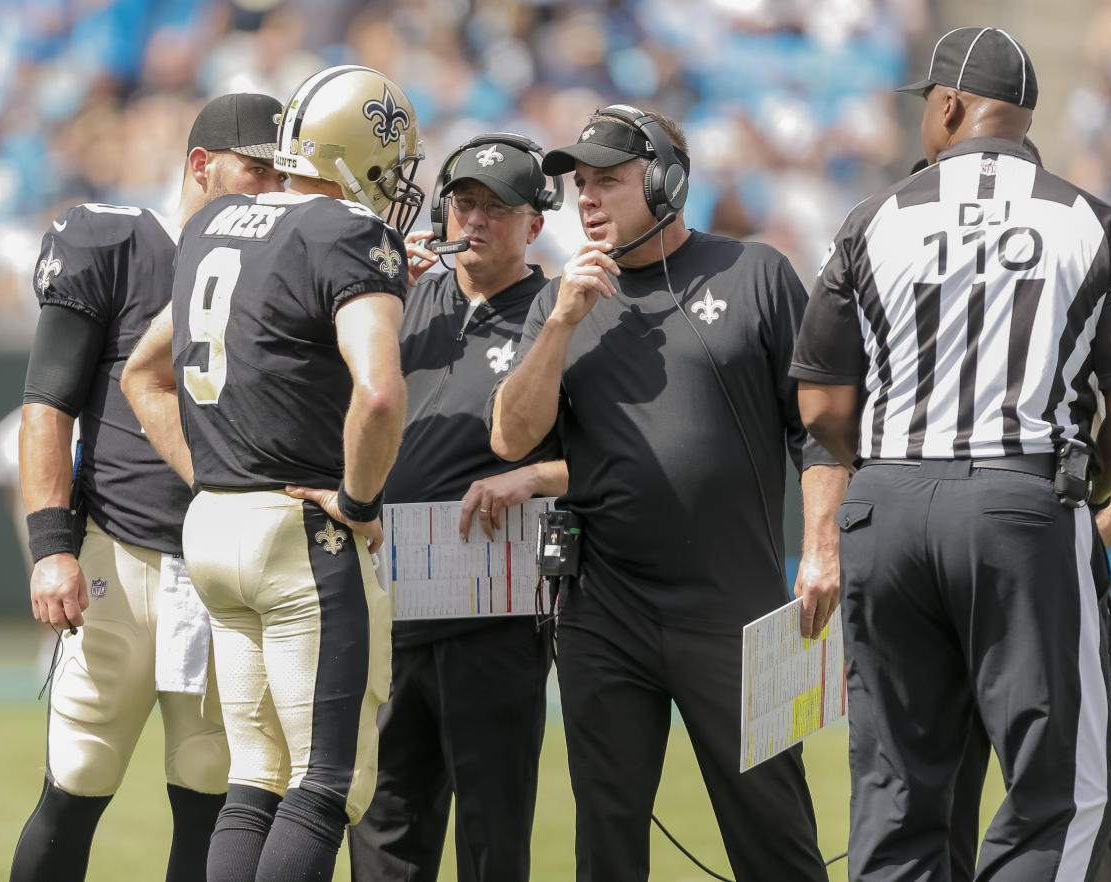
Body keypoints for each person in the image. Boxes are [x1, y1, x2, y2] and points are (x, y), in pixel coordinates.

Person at [791, 26, 1111, 881]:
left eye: (929, 102)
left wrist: (885, 463)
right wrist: (1086, 486)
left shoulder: (873, 217)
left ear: (952, 106)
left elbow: (818, 402)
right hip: (1020, 500)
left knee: (896, 793)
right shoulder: (1089, 220)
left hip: (885, 511)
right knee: (1059, 792)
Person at [489, 105, 846, 882]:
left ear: (666, 182)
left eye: (607, 182)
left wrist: (822, 548)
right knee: (607, 849)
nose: (586, 199)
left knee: (777, 840)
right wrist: (560, 323)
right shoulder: (562, 302)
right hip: (601, 617)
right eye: (579, 185)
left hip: (737, 612)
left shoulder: (757, 274)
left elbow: (818, 432)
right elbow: (512, 439)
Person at [121, 65, 421, 882]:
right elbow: (382, 391)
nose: (397, 191)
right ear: (354, 153)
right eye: (392, 168)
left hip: (213, 526)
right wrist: (358, 499)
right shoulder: (349, 235)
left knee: (255, 780)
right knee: (325, 784)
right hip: (300, 535)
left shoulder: (213, 225)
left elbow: (141, 373)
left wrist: (213, 473)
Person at [10, 92, 285, 882]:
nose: (271, 193)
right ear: (202, 166)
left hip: (224, 567)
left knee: (209, 790)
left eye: (281, 176)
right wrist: (51, 547)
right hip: (118, 559)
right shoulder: (117, 240)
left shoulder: (288, 262)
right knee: (80, 773)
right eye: (256, 172)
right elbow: (46, 406)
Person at [346, 134, 566, 882]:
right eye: (463, 202)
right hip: (390, 600)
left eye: (497, 208)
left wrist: (534, 475)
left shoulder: (558, 310)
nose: (474, 220)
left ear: (533, 224)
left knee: (491, 831)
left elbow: (610, 458)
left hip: (493, 608)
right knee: (382, 824)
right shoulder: (400, 300)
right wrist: (376, 295)